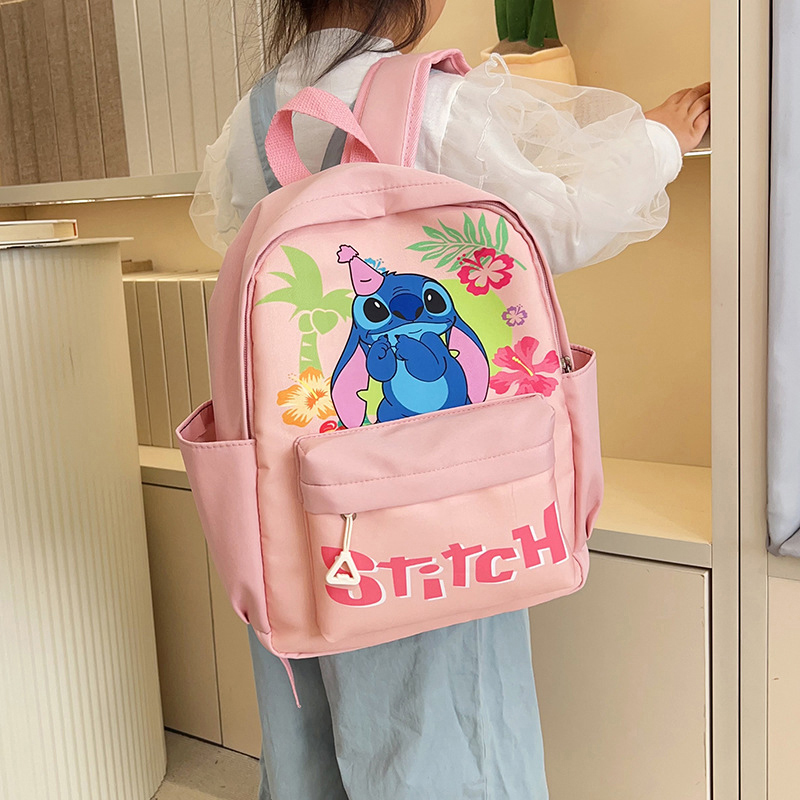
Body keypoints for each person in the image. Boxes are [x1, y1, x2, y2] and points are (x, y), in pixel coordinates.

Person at [190, 3, 710, 798]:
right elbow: (558, 225)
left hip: (292, 489)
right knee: (450, 723)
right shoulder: (430, 101)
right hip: (431, 496)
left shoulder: (253, 119)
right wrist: (662, 138)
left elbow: (235, 242)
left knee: (310, 718)